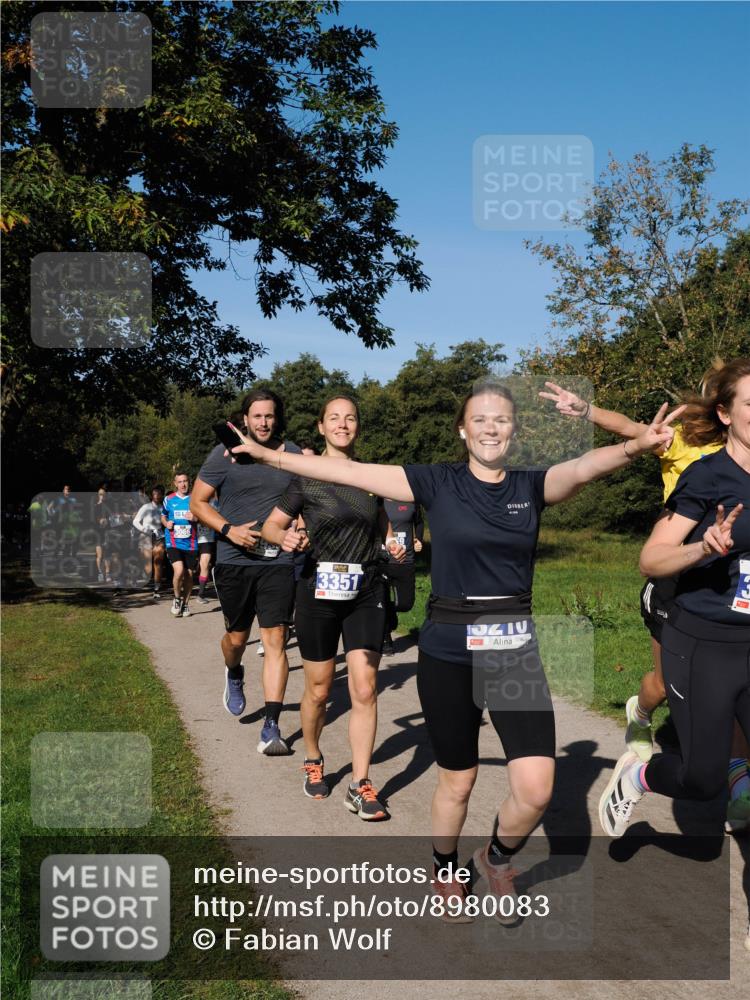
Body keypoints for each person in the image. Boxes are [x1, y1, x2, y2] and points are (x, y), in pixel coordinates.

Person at [232, 377, 677, 897]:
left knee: (536, 791)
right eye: (480, 419)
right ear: (463, 430)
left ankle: (495, 857)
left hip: (513, 654)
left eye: (502, 419)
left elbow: (582, 468)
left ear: (513, 431)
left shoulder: (530, 487)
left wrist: (635, 446)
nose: (491, 428)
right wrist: (271, 458)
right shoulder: (435, 482)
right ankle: (444, 866)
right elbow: (344, 469)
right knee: (458, 781)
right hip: (448, 652)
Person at [542, 367, 750, 832]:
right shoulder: (700, 466)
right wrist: (703, 546)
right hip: (698, 627)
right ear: (725, 413)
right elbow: (651, 557)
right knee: (700, 775)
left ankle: (739, 777)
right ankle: (641, 768)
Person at [257, 395, 405, 819]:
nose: (343, 424)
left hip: (365, 589)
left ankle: (361, 783)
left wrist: (392, 541)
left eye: (350, 418)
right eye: (334, 419)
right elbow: (272, 524)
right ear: (321, 427)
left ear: (358, 426)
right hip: (318, 590)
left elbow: (383, 524)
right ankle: (314, 754)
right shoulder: (306, 478)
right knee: (320, 689)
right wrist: (281, 538)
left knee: (363, 687)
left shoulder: (372, 476)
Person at [191, 389, 303, 756]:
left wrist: (302, 530)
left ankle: (272, 726)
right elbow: (197, 502)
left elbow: (307, 500)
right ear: (245, 419)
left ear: (277, 418)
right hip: (233, 560)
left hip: (277, 560)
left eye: (270, 416)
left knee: (276, 640)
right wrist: (229, 530)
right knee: (237, 640)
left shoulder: (292, 455)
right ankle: (234, 671)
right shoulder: (224, 455)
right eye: (257, 416)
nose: (264, 423)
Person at [382, 498, 424, 655]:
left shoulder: (410, 500)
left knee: (406, 603)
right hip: (383, 560)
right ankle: (386, 639)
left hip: (405, 560)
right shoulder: (378, 500)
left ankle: (390, 614)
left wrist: (417, 539)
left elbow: (418, 522)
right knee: (382, 600)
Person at [161, 471, 198, 617]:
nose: (183, 484)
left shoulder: (195, 499)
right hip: (173, 541)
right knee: (179, 570)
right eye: (180, 482)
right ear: (175, 484)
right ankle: (176, 598)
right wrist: (166, 523)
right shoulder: (168, 499)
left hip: (191, 542)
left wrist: (195, 518)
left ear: (189, 482)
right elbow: (163, 515)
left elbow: (203, 516)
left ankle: (186, 604)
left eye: (185, 481)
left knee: (189, 575)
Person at [133, 486, 166, 598]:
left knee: (158, 562)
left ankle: (156, 589)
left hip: (159, 536)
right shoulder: (145, 507)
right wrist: (144, 529)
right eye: (154, 494)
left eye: (159, 494)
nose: (156, 496)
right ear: (152, 495)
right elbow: (135, 521)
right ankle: (146, 574)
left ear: (162, 495)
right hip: (145, 536)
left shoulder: (164, 508)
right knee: (148, 567)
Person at [196, 497, 218, 604]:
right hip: (190, 539)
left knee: (204, 564)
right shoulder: (193, 499)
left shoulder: (216, 503)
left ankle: (201, 594)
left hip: (207, 537)